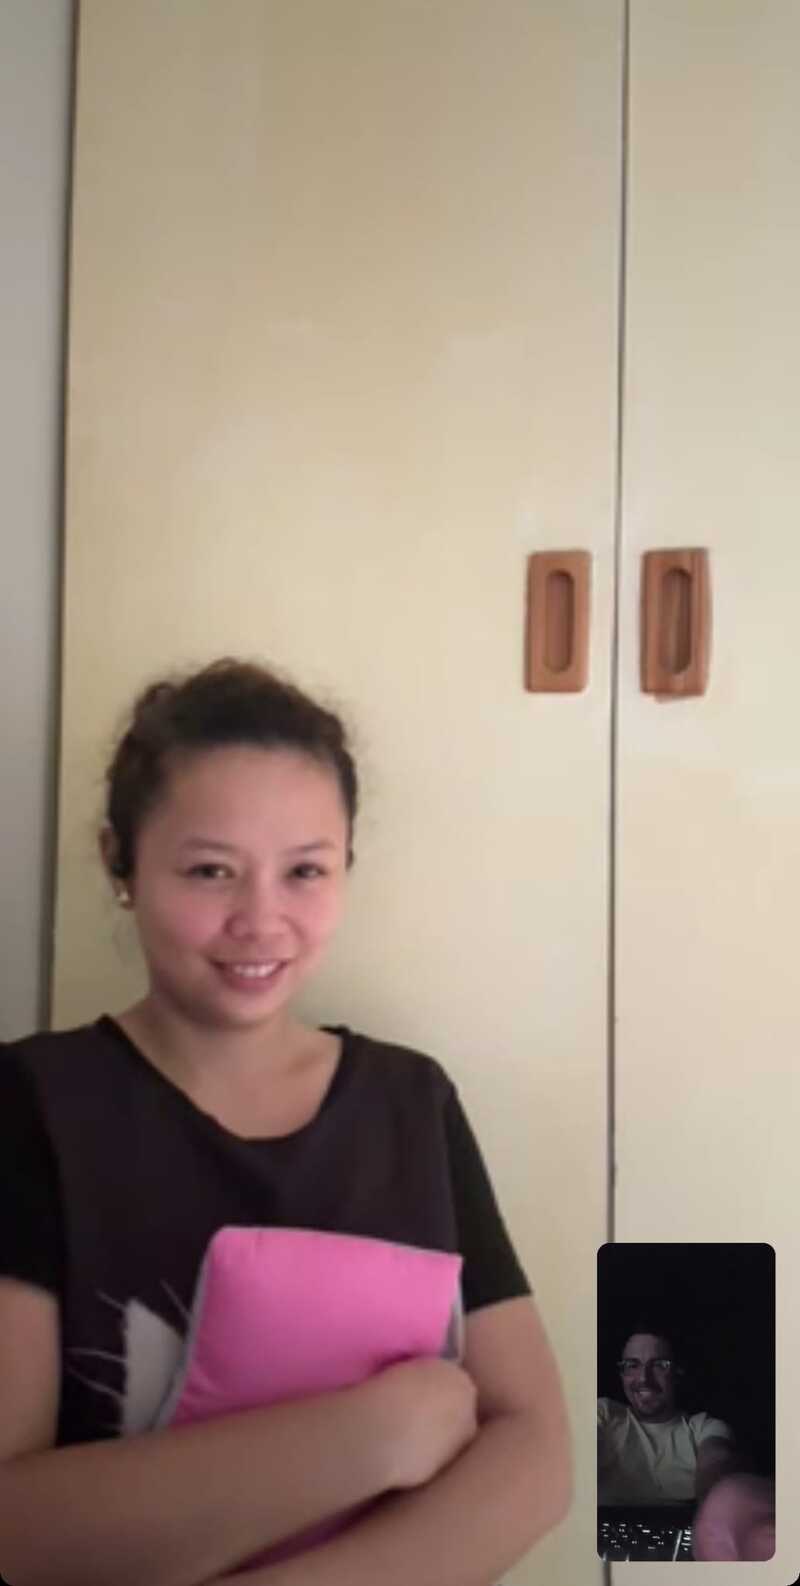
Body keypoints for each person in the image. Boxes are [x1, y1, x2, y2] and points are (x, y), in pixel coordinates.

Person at [0, 657, 571, 1586]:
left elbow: (538, 1449)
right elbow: (13, 1526)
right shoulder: (32, 1102)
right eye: (211, 871)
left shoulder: (412, 1101)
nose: (260, 920)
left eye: (305, 870)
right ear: (121, 863)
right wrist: (368, 1437)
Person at [598, 1323, 774, 1560]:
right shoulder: (604, 1414)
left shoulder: (704, 1427)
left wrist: (723, 1498)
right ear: (621, 1373)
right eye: (632, 1365)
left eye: (659, 1365)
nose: (644, 1378)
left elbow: (716, 1462)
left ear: (678, 1372)